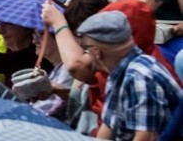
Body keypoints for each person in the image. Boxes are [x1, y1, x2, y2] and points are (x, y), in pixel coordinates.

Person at [78, 11, 182, 139]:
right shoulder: (118, 70)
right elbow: (108, 126)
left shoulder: (140, 78)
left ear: (97, 52)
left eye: (86, 47)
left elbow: (146, 138)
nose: (86, 53)